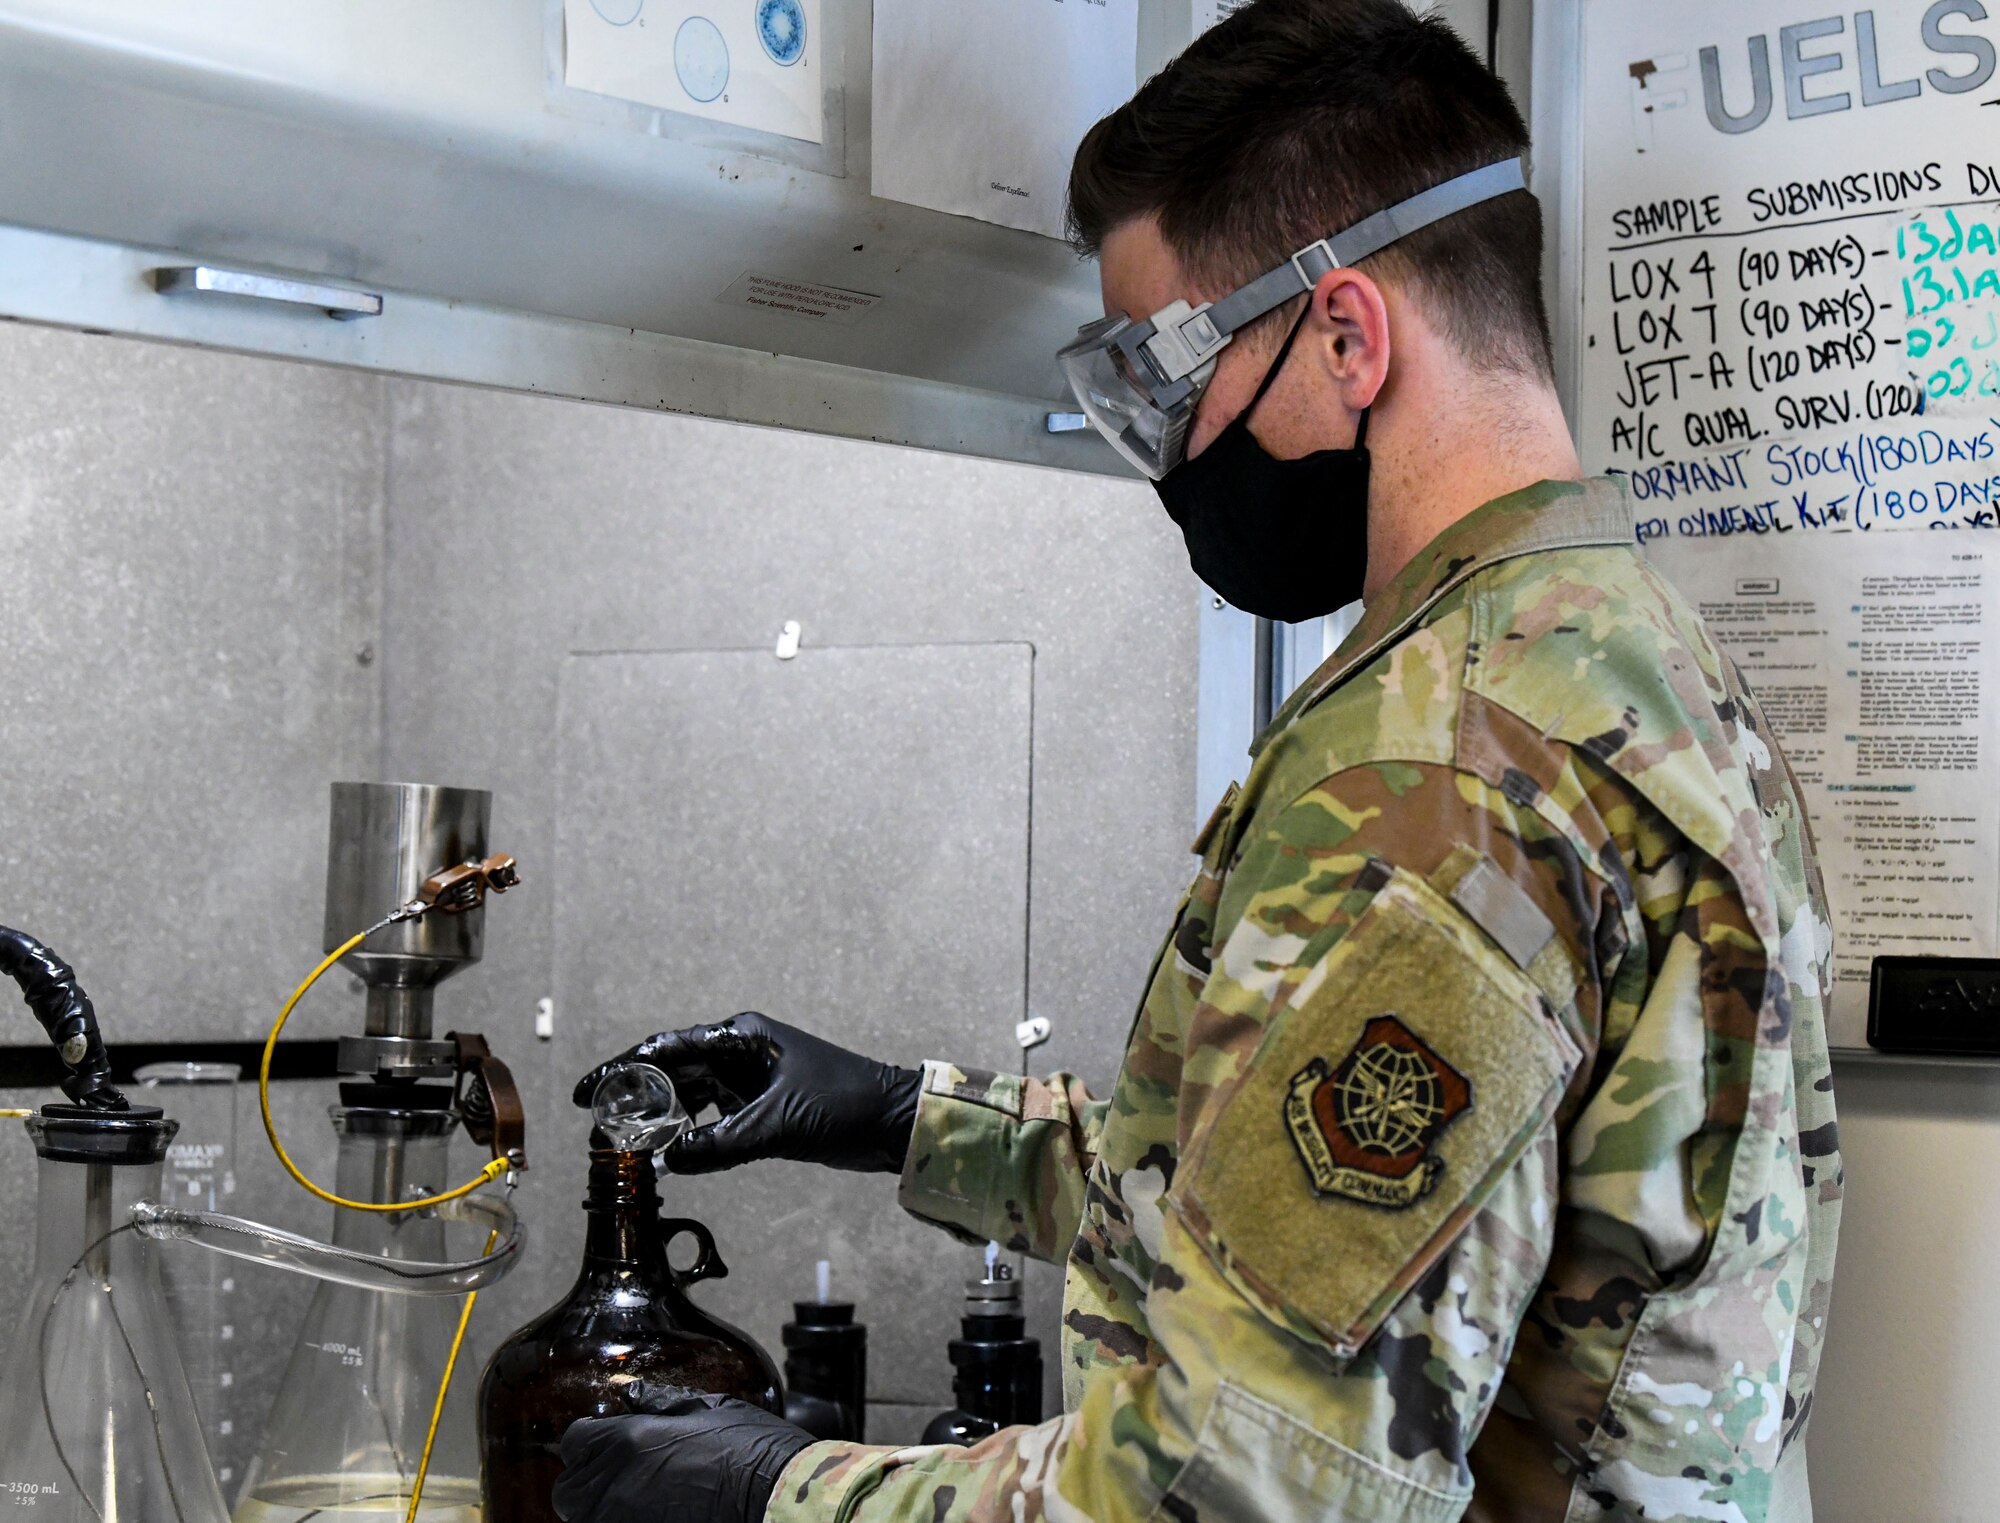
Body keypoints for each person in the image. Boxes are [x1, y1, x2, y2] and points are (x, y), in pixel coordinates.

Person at [551, 1, 1842, 1519]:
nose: (1167, 451)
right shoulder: (1631, 663)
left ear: (1349, 334)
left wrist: (782, 1496)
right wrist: (901, 1114)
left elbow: (1240, 1491)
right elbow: (1335, 1222)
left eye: (1168, 380)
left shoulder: (1437, 782)